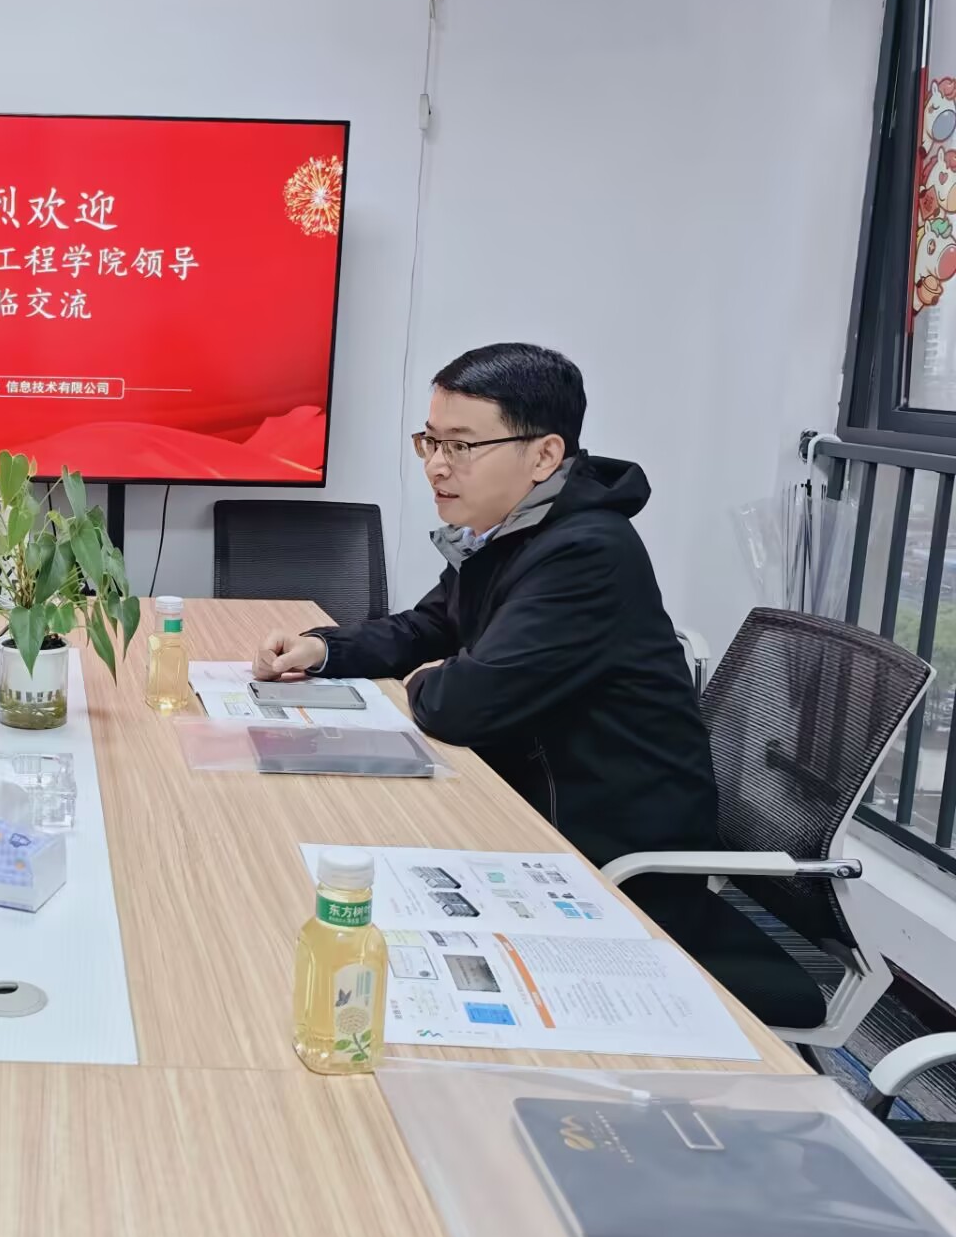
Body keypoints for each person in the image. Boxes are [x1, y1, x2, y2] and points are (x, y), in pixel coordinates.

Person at [254, 342, 719, 933]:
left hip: (603, 866)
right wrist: (324, 650)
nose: (435, 466)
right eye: (430, 442)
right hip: (520, 810)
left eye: (461, 446)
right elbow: (428, 627)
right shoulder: (511, 530)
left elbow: (460, 705)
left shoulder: (587, 553)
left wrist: (429, 678)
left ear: (545, 455)